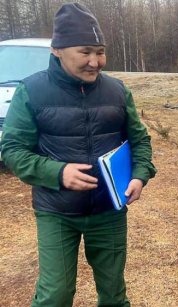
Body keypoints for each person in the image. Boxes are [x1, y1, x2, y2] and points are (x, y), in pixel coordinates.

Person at [0, 3, 156, 306]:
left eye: (100, 52)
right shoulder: (32, 91)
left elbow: (141, 141)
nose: (96, 62)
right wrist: (57, 173)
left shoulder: (117, 91)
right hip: (57, 212)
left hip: (109, 211)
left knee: (114, 295)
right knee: (55, 295)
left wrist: (140, 176)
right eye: (85, 52)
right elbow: (12, 150)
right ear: (58, 49)